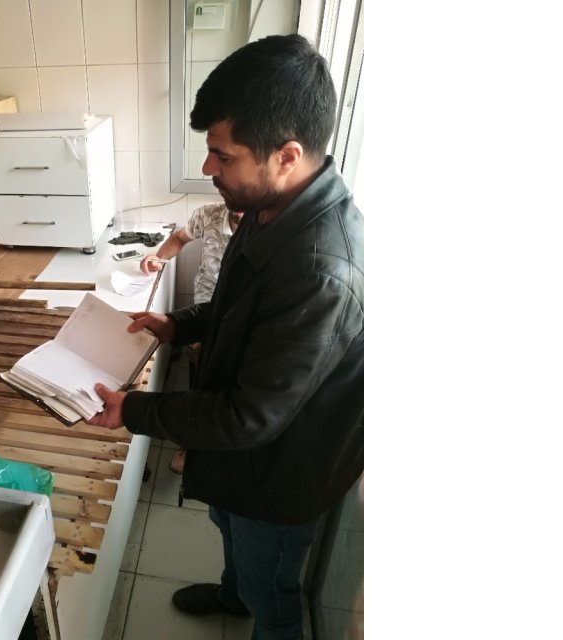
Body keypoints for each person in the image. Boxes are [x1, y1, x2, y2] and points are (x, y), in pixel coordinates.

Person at [86, 34, 363, 640]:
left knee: (273, 593)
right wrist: (179, 324)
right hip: (242, 463)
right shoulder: (271, 207)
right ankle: (234, 596)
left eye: (222, 155)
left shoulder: (322, 270)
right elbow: (241, 305)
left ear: (286, 156)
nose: (210, 168)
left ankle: (255, 604)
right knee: (231, 534)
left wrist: (133, 409)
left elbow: (248, 418)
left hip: (278, 475)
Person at [139, 203, 243, 475]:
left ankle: (220, 446)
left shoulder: (272, 225)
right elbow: (178, 238)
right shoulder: (208, 215)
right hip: (204, 307)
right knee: (198, 369)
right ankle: (190, 443)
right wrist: (158, 258)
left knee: (232, 377)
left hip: (243, 314)